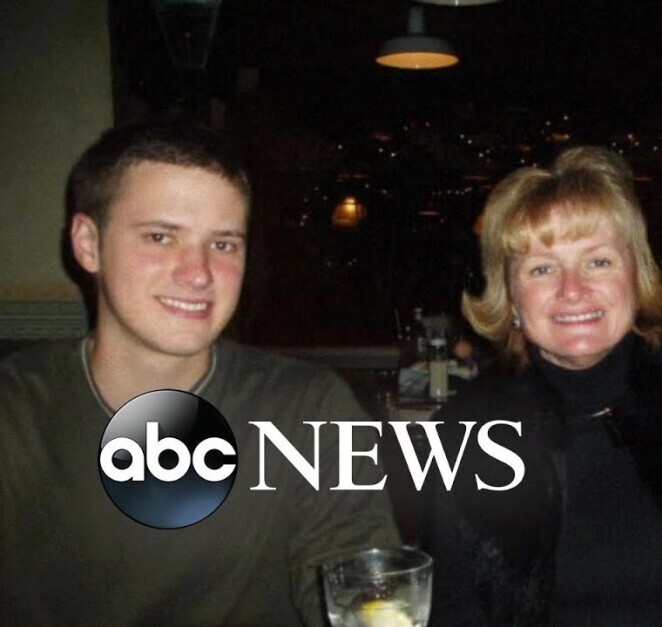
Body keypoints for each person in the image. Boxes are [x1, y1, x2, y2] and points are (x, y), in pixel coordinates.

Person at [0, 123, 399, 625]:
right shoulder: (15, 411)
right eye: (161, 237)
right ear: (88, 243)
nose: (198, 273)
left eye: (224, 244)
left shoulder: (306, 408)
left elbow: (361, 593)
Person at [423, 146, 662, 626]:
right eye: (542, 268)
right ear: (510, 297)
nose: (572, 290)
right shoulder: (464, 433)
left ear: (637, 276)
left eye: (598, 262)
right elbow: (453, 612)